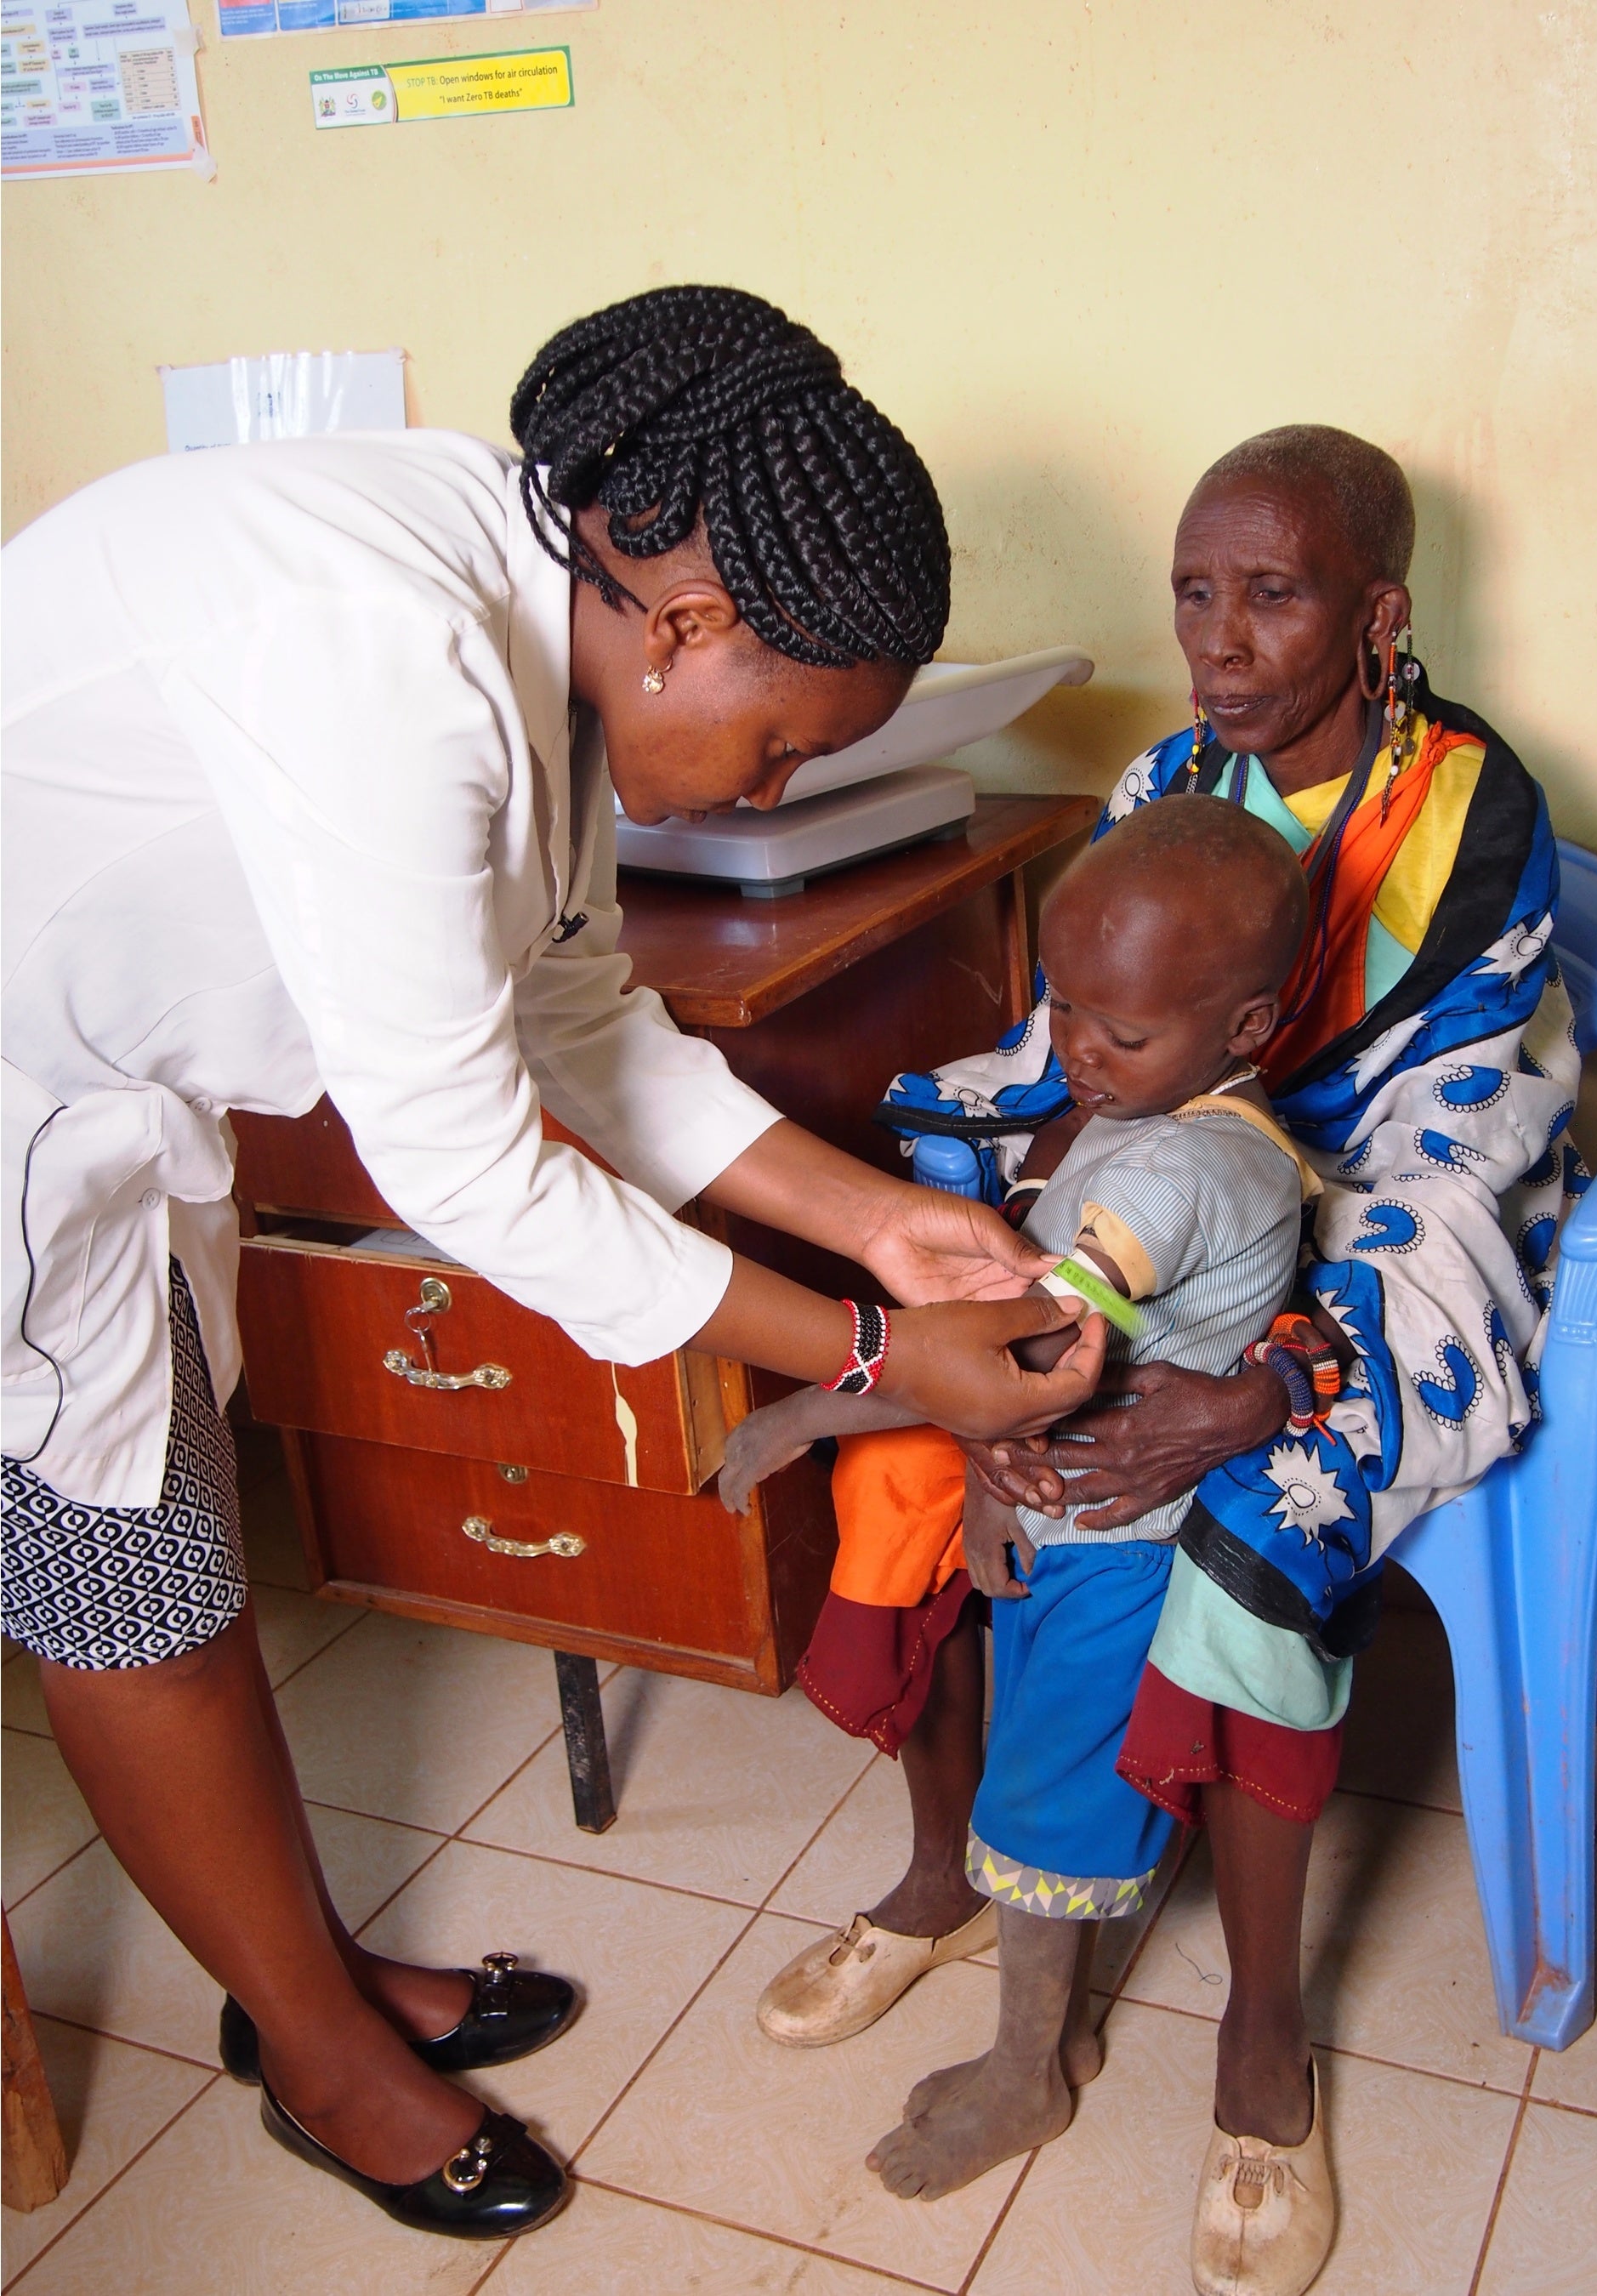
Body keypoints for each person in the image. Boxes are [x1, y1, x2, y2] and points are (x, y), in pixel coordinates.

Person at [0, 286, 1104, 2241]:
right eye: (775, 748)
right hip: (21, 1101)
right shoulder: (388, 664)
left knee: (171, 1535)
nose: (767, 795)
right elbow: (471, 1159)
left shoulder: (545, 606)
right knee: (130, 1597)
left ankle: (302, 1978)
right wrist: (861, 1358)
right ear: (682, 622)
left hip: (103, 1092)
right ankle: (324, 2063)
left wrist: (871, 1220)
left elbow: (580, 1015)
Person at [748, 424, 1581, 2296]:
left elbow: (1452, 1134)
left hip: (1372, 1214)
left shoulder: (1470, 813)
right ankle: (953, 1869)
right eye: (1193, 590)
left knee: (1251, 1526)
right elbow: (1081, 1049)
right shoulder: (1167, 774)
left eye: (1267, 594)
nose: (1215, 635)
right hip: (1153, 1182)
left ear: (1373, 615)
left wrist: (1265, 1385)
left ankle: (1261, 2036)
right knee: (901, 1452)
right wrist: (1000, 1284)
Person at [724, 794, 1321, 2205]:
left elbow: (1022, 1356)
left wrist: (809, 1403)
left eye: (1120, 1033)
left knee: (1045, 1808)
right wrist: (993, 1481)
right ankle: (1031, 2019)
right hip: (1056, 1512)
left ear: (1242, 1028)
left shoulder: (1177, 1168)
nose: (1075, 1053)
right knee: (1017, 1772)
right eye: (1063, 1010)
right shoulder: (1161, 1119)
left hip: (1117, 1546)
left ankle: (1028, 2070)